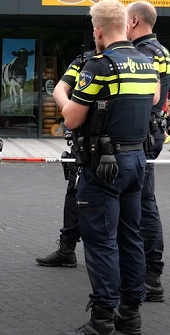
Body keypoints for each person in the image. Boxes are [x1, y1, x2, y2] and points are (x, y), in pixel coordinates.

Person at [60, 1, 159, 334]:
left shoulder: (99, 66)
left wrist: (64, 99)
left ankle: (102, 317)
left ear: (97, 30)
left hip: (103, 167)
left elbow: (72, 117)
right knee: (131, 237)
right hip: (137, 162)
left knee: (101, 241)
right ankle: (130, 314)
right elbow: (155, 99)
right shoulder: (147, 64)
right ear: (126, 25)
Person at [127, 0, 170, 304]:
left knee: (144, 202)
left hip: (142, 133)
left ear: (134, 22)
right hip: (154, 131)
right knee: (143, 200)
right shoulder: (162, 51)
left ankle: (151, 275)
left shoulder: (142, 54)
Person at [36, 49, 95, 268]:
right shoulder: (85, 60)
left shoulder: (129, 60)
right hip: (85, 143)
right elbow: (60, 88)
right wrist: (71, 111)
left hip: (116, 145)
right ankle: (67, 248)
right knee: (74, 193)